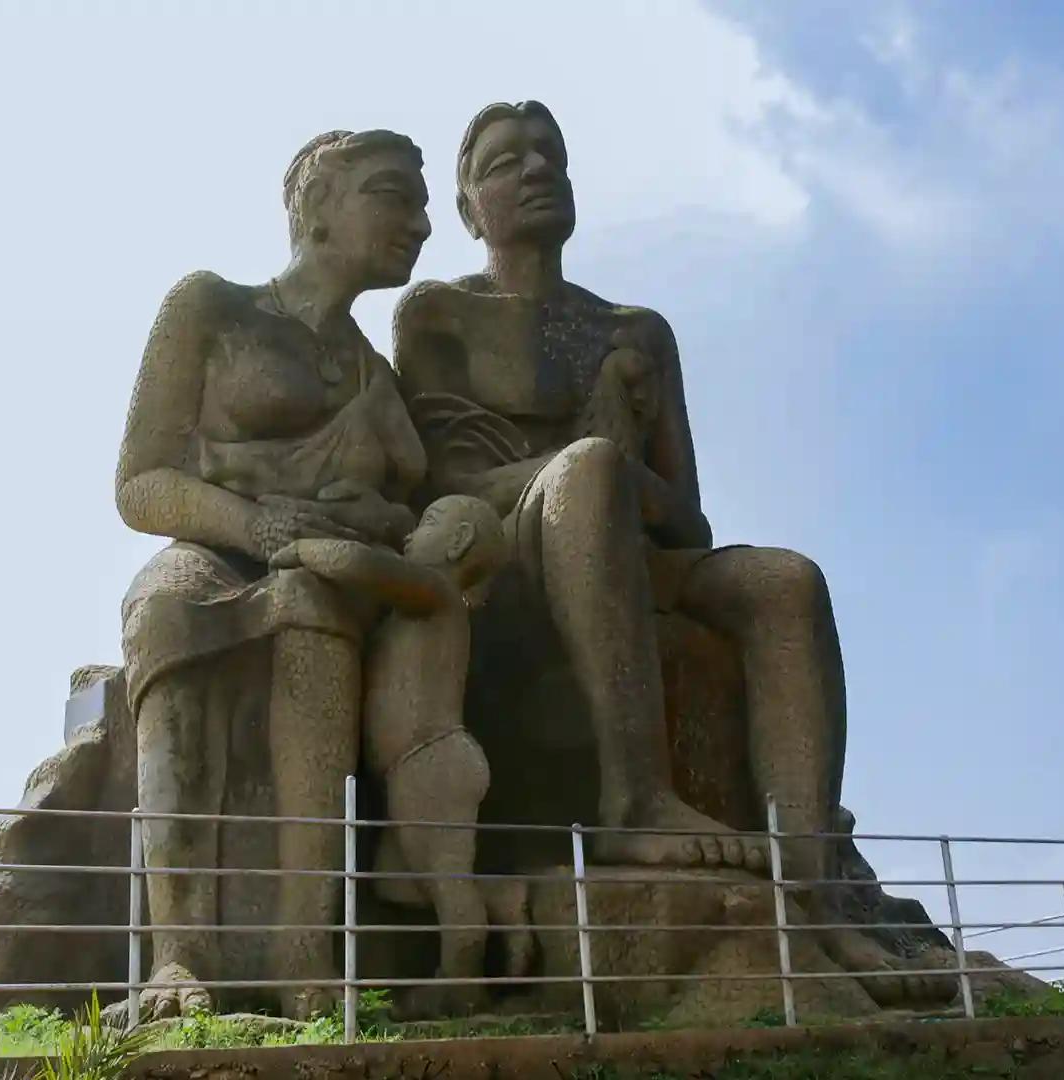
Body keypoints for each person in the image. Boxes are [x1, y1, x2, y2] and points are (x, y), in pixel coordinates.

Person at [393, 102, 935, 1003]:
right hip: (505, 553)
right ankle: (633, 798)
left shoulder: (635, 330)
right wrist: (594, 457)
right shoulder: (438, 313)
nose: (536, 171)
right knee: (591, 470)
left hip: (635, 553)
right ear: (466, 207)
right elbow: (441, 482)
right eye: (504, 162)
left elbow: (688, 520)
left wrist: (610, 465)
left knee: (785, 581)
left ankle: (810, 890)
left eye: (550, 155)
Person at [114, 127, 431, 1018]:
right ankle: (177, 957)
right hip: (210, 546)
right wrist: (255, 523)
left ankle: (304, 955)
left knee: (311, 615)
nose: (420, 222)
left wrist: (369, 520)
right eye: (393, 195)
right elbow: (140, 484)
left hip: (325, 572)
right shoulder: (210, 305)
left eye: (423, 204)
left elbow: (409, 509)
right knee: (167, 611)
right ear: (319, 203)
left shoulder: (374, 373)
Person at [269, 494, 522, 1011]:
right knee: (398, 883)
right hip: (412, 769)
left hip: (430, 759)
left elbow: (359, 564)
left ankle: (461, 982)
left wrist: (301, 548)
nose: (410, 534)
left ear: (458, 542)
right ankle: (505, 900)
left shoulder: (436, 592)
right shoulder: (414, 609)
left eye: (428, 522)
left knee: (445, 883)